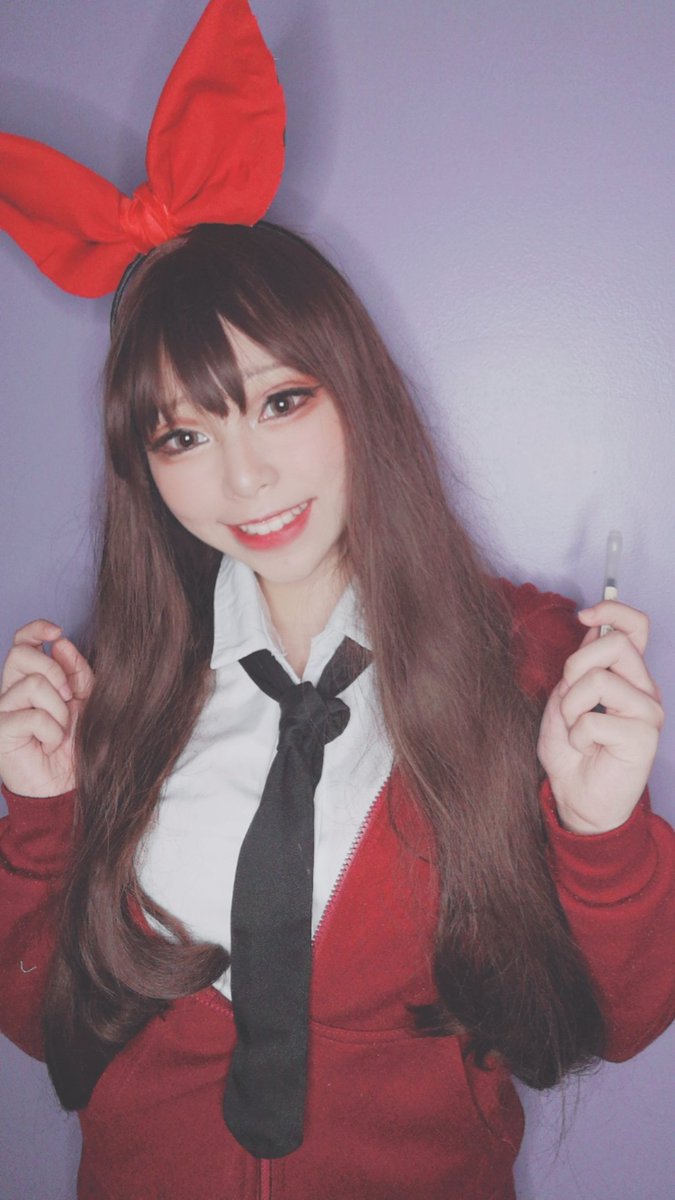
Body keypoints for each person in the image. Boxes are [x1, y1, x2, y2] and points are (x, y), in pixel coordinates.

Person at [1, 4, 673, 1200]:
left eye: (280, 402)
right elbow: (48, 1029)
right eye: (183, 434)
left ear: (356, 390)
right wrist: (40, 816)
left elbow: (621, 1024)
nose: (245, 478)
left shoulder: (528, 660)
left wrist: (601, 830)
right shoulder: (122, 687)